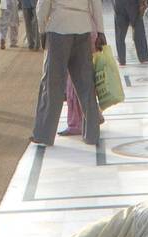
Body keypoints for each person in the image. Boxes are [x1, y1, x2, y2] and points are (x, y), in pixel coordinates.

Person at [32, 0, 106, 147]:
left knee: (52, 84)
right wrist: (100, 31)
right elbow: (96, 4)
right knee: (86, 85)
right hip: (83, 28)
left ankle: (44, 134)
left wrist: (41, 30)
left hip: (59, 27)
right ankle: (92, 134)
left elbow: (42, 6)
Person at [60, 22, 102, 136]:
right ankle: (93, 116)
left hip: (77, 32)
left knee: (74, 85)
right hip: (88, 31)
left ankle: (76, 124)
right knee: (84, 83)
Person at [113, 0, 148, 67]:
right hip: (133, 4)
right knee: (138, 29)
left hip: (119, 4)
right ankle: (143, 57)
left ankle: (121, 59)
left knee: (120, 33)